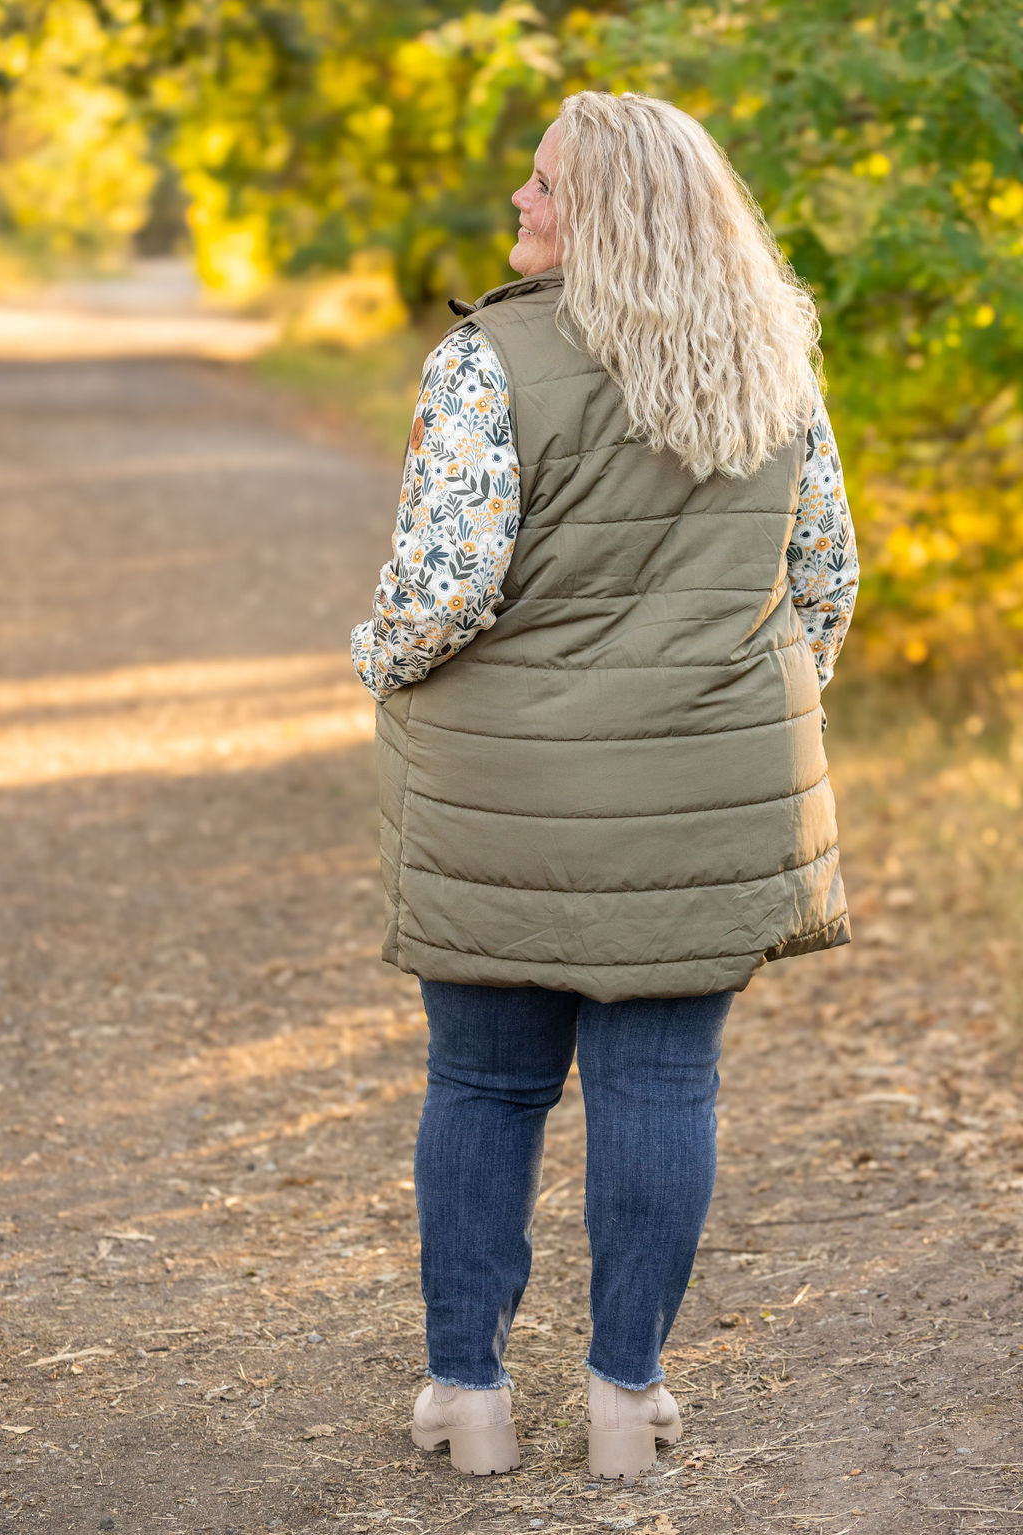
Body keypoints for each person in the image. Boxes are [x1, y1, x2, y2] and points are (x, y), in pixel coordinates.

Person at [351, 90, 859, 1479]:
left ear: (614, 212)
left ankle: (470, 1400)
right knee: (662, 1090)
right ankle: (627, 1405)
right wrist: (723, 713)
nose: (519, 202)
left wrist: (372, 658)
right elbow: (823, 584)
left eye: (546, 186)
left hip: (504, 797)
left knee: (483, 1085)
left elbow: (441, 592)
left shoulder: (487, 362)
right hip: (704, 797)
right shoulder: (771, 358)